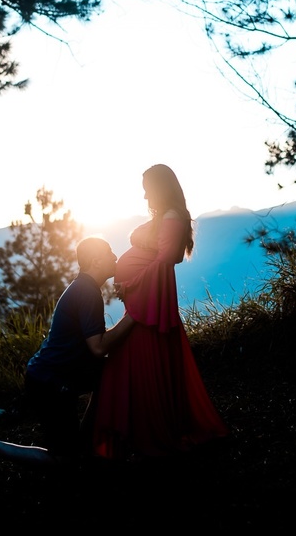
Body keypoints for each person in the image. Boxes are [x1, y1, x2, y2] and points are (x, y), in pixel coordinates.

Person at [91, 164, 229, 459]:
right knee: (132, 365)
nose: (144, 196)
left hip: (149, 305)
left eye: (147, 189)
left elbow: (166, 261)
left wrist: (131, 284)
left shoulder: (172, 217)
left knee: (143, 365)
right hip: (142, 300)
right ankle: (134, 430)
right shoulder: (163, 217)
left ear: (159, 188)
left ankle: (150, 431)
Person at [0, 236, 134, 474]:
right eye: (109, 252)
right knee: (64, 461)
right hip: (49, 382)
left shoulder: (85, 288)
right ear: (96, 260)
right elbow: (98, 346)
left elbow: (94, 341)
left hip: (57, 375)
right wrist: (132, 317)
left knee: (110, 372)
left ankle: (84, 441)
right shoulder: (87, 292)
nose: (115, 257)